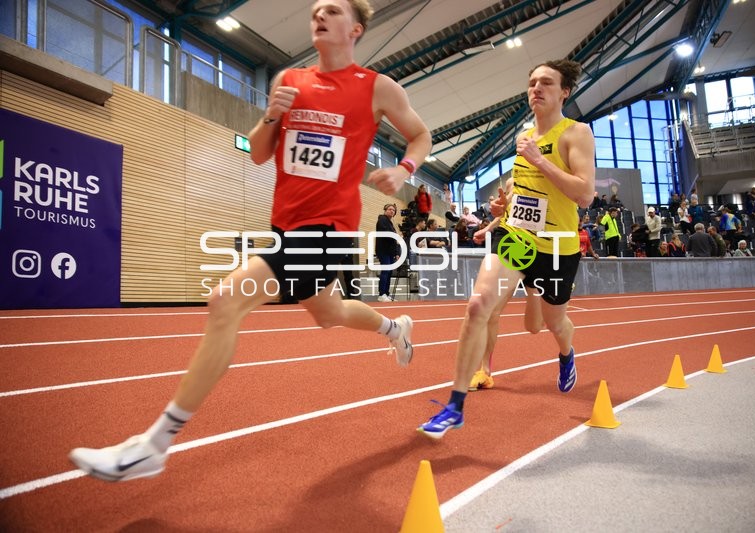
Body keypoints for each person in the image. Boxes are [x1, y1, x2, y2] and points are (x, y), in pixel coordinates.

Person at [69, 0, 432, 481]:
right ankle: (394, 328)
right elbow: (259, 154)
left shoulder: (376, 87)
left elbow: (420, 135)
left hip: (328, 229)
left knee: (225, 300)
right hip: (285, 224)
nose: (319, 15)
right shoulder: (289, 80)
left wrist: (404, 169)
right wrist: (271, 115)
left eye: (332, 10)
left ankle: (153, 445)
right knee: (329, 313)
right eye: (315, 10)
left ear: (356, 29)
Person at [417, 59, 595, 438]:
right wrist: (503, 209)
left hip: (557, 247)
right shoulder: (526, 136)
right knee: (478, 306)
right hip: (517, 238)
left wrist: (539, 159)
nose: (536, 88)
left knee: (553, 324)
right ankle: (455, 405)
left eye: (546, 82)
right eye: (532, 82)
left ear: (564, 92)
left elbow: (584, 194)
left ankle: (566, 353)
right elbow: (527, 192)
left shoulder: (575, 133)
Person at [375, 203, 400, 302]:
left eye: (393, 210)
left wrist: (396, 253)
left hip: (390, 252)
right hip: (383, 250)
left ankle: (386, 293)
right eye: (390, 209)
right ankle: (381, 294)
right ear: (385, 210)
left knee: (389, 272)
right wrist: (394, 235)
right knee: (385, 271)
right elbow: (386, 234)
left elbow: (394, 240)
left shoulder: (390, 223)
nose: (392, 211)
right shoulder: (382, 220)